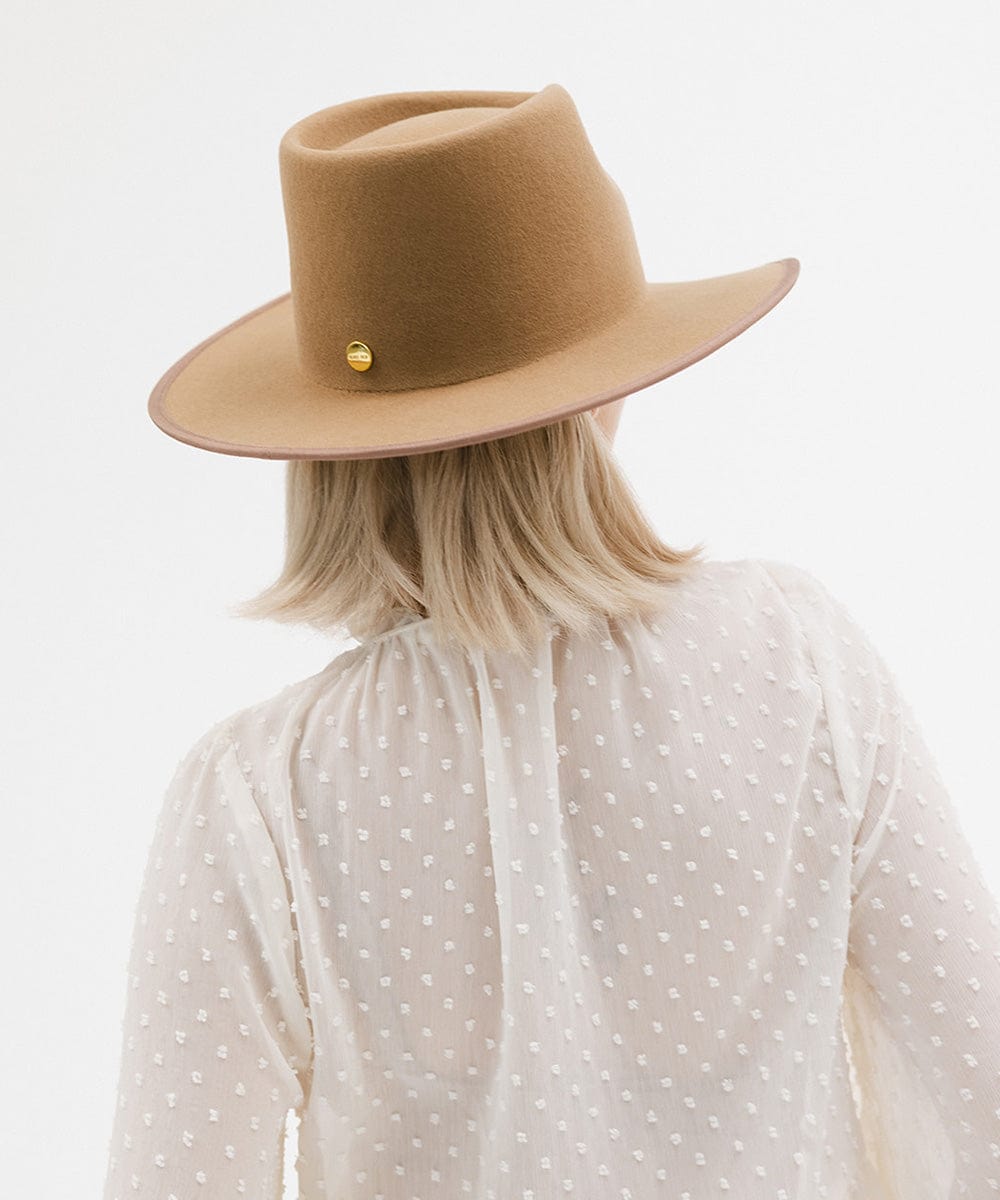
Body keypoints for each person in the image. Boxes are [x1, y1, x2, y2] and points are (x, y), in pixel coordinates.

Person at [101, 85, 1000, 1199]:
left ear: (327, 444)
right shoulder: (794, 659)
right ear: (601, 389)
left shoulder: (259, 794)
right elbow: (978, 1087)